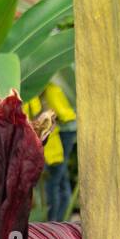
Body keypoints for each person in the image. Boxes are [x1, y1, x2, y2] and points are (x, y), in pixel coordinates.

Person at [24, 81, 77, 222]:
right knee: (60, 179)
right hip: (62, 127)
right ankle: (60, 220)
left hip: (62, 128)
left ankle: (54, 221)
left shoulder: (51, 80)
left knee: (53, 180)